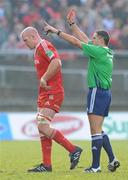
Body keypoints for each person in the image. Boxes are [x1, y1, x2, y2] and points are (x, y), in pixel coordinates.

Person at [43, 9, 120, 173]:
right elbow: (84, 39)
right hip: (105, 94)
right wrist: (73, 25)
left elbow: (77, 42)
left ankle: (95, 166)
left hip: (96, 92)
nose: (91, 39)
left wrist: (57, 31)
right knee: (99, 129)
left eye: (94, 37)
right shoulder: (106, 51)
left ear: (100, 40)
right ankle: (113, 159)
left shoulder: (98, 52)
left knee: (94, 130)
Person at [20, 26, 82, 173]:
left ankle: (73, 150)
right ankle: (46, 165)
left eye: (25, 40)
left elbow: (57, 62)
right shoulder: (37, 49)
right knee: (43, 129)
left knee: (42, 126)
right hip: (44, 93)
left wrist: (44, 78)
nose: (24, 43)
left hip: (53, 92)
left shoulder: (44, 45)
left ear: (33, 36)